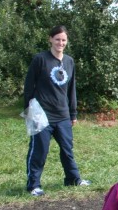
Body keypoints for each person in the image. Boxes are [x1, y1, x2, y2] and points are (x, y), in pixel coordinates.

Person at [24, 25, 89, 196]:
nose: (61, 42)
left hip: (63, 115)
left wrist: (73, 113)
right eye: (57, 39)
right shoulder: (40, 59)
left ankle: (73, 179)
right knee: (40, 150)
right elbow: (29, 85)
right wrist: (29, 110)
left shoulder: (69, 61)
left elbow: (71, 88)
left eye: (64, 40)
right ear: (50, 39)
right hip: (42, 115)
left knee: (67, 149)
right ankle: (33, 185)